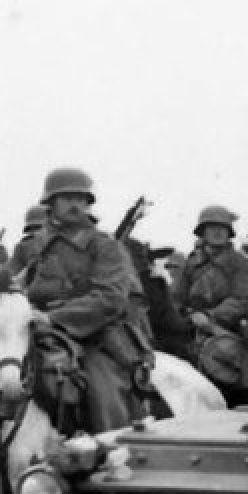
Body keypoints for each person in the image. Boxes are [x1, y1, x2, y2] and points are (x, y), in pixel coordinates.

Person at [25, 166, 150, 431]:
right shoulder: (35, 246)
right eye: (67, 198)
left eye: (80, 199)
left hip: (96, 335)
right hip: (37, 331)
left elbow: (110, 298)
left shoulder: (106, 246)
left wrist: (52, 317)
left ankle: (111, 446)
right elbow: (12, 285)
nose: (75, 205)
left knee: (101, 390)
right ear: (51, 203)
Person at [173, 204, 248, 400]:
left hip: (230, 327)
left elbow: (244, 300)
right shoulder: (191, 263)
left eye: (223, 228)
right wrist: (187, 315)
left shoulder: (242, 263)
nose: (217, 232)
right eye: (212, 227)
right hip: (192, 325)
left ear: (229, 232)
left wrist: (210, 316)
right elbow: (176, 297)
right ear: (202, 232)